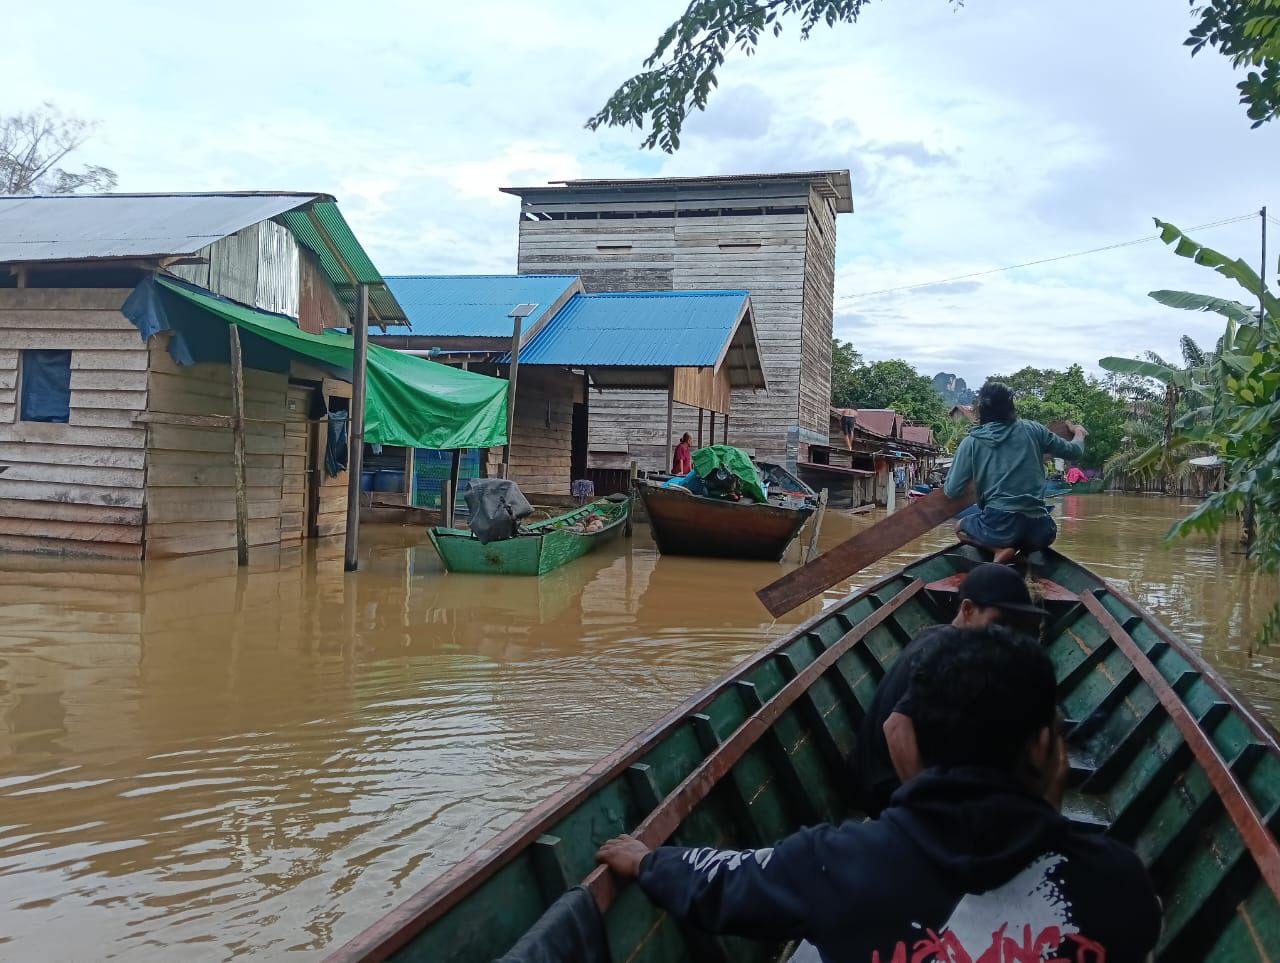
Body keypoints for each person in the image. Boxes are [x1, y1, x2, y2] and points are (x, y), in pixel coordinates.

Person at [597, 626, 1161, 963]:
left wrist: (649, 862)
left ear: (910, 740)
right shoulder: (1121, 886)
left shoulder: (832, 866)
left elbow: (721, 882)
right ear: (1043, 748)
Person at [850, 563, 1047, 818]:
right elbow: (895, 728)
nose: (1007, 635)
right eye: (999, 623)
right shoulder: (950, 652)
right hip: (887, 788)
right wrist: (928, 809)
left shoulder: (937, 636)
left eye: (1015, 625)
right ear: (967, 609)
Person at [944, 382, 1088, 564]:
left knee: (960, 528)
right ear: (1011, 407)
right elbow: (1074, 451)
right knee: (1031, 532)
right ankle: (1022, 556)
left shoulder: (971, 442)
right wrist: (1079, 434)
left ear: (980, 411)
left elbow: (951, 490)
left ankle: (999, 549)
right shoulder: (1034, 430)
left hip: (999, 526)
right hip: (1042, 531)